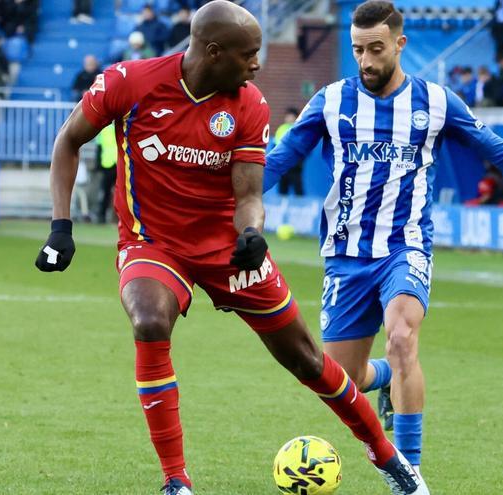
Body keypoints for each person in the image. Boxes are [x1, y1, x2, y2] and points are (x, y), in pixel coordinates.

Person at [33, 2, 423, 494]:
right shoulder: (128, 82)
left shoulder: (250, 105)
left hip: (225, 248)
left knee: (306, 359)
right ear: (214, 52)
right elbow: (69, 140)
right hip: (153, 242)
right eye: (249, 54)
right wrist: (60, 226)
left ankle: (389, 459)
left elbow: (249, 195)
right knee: (149, 321)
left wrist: (252, 234)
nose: (257, 64)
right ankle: (177, 482)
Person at [264, 0, 503, 485]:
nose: (366, 60)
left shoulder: (436, 102)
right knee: (340, 379)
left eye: (376, 49)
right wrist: (230, 210)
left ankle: (409, 470)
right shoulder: (332, 100)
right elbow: (280, 158)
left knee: (402, 337)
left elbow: (500, 151)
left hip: (406, 246)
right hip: (346, 255)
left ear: (400, 44)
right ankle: (383, 377)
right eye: (357, 50)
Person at [272, 108, 304, 196]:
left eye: (291, 116)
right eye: (288, 116)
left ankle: (300, 205)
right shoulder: (281, 129)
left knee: (298, 191)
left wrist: (299, 161)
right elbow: (275, 145)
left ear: (296, 118)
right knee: (282, 190)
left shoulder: (299, 129)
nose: (289, 118)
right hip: (283, 166)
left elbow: (304, 148)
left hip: (295, 167)